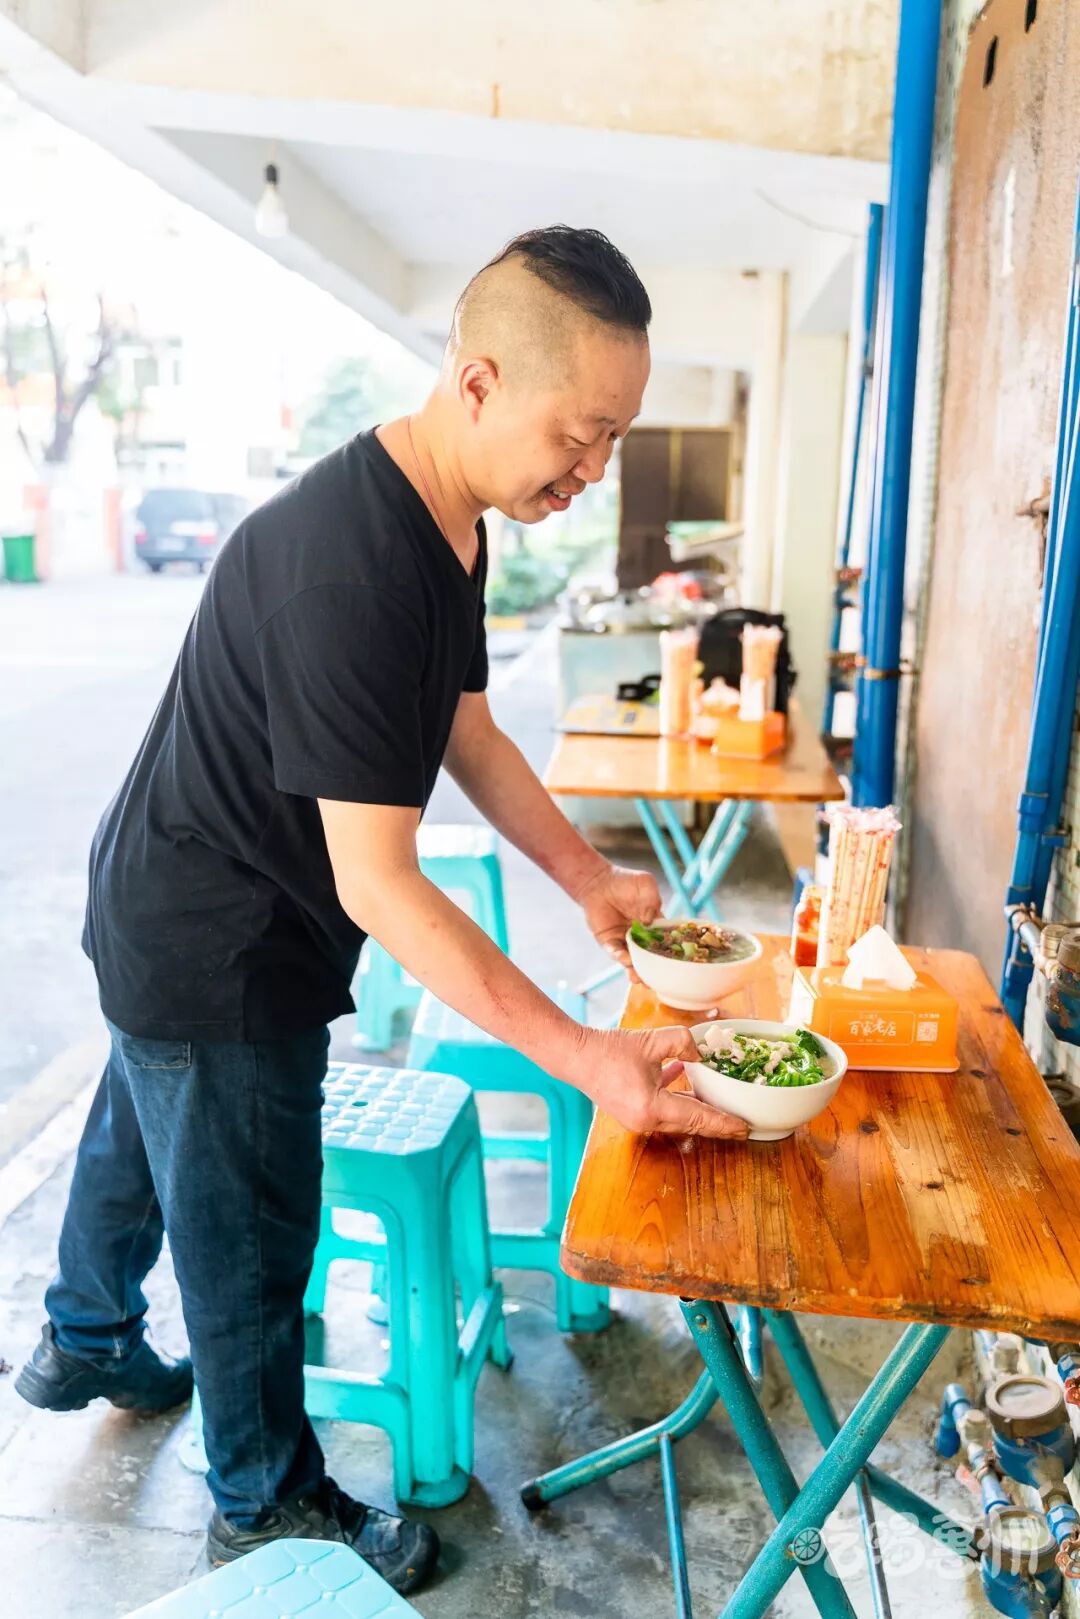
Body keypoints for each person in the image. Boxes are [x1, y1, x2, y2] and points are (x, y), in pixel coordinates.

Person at [16, 225, 746, 1595]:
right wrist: (585, 1056)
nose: (592, 472)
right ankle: (261, 1498)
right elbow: (381, 881)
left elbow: (467, 729)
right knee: (247, 1228)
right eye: (578, 435)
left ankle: (84, 1331)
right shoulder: (350, 568)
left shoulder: (446, 526)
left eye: (613, 440)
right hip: (219, 936)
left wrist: (588, 878)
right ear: (477, 383)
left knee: (145, 1121)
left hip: (172, 894)